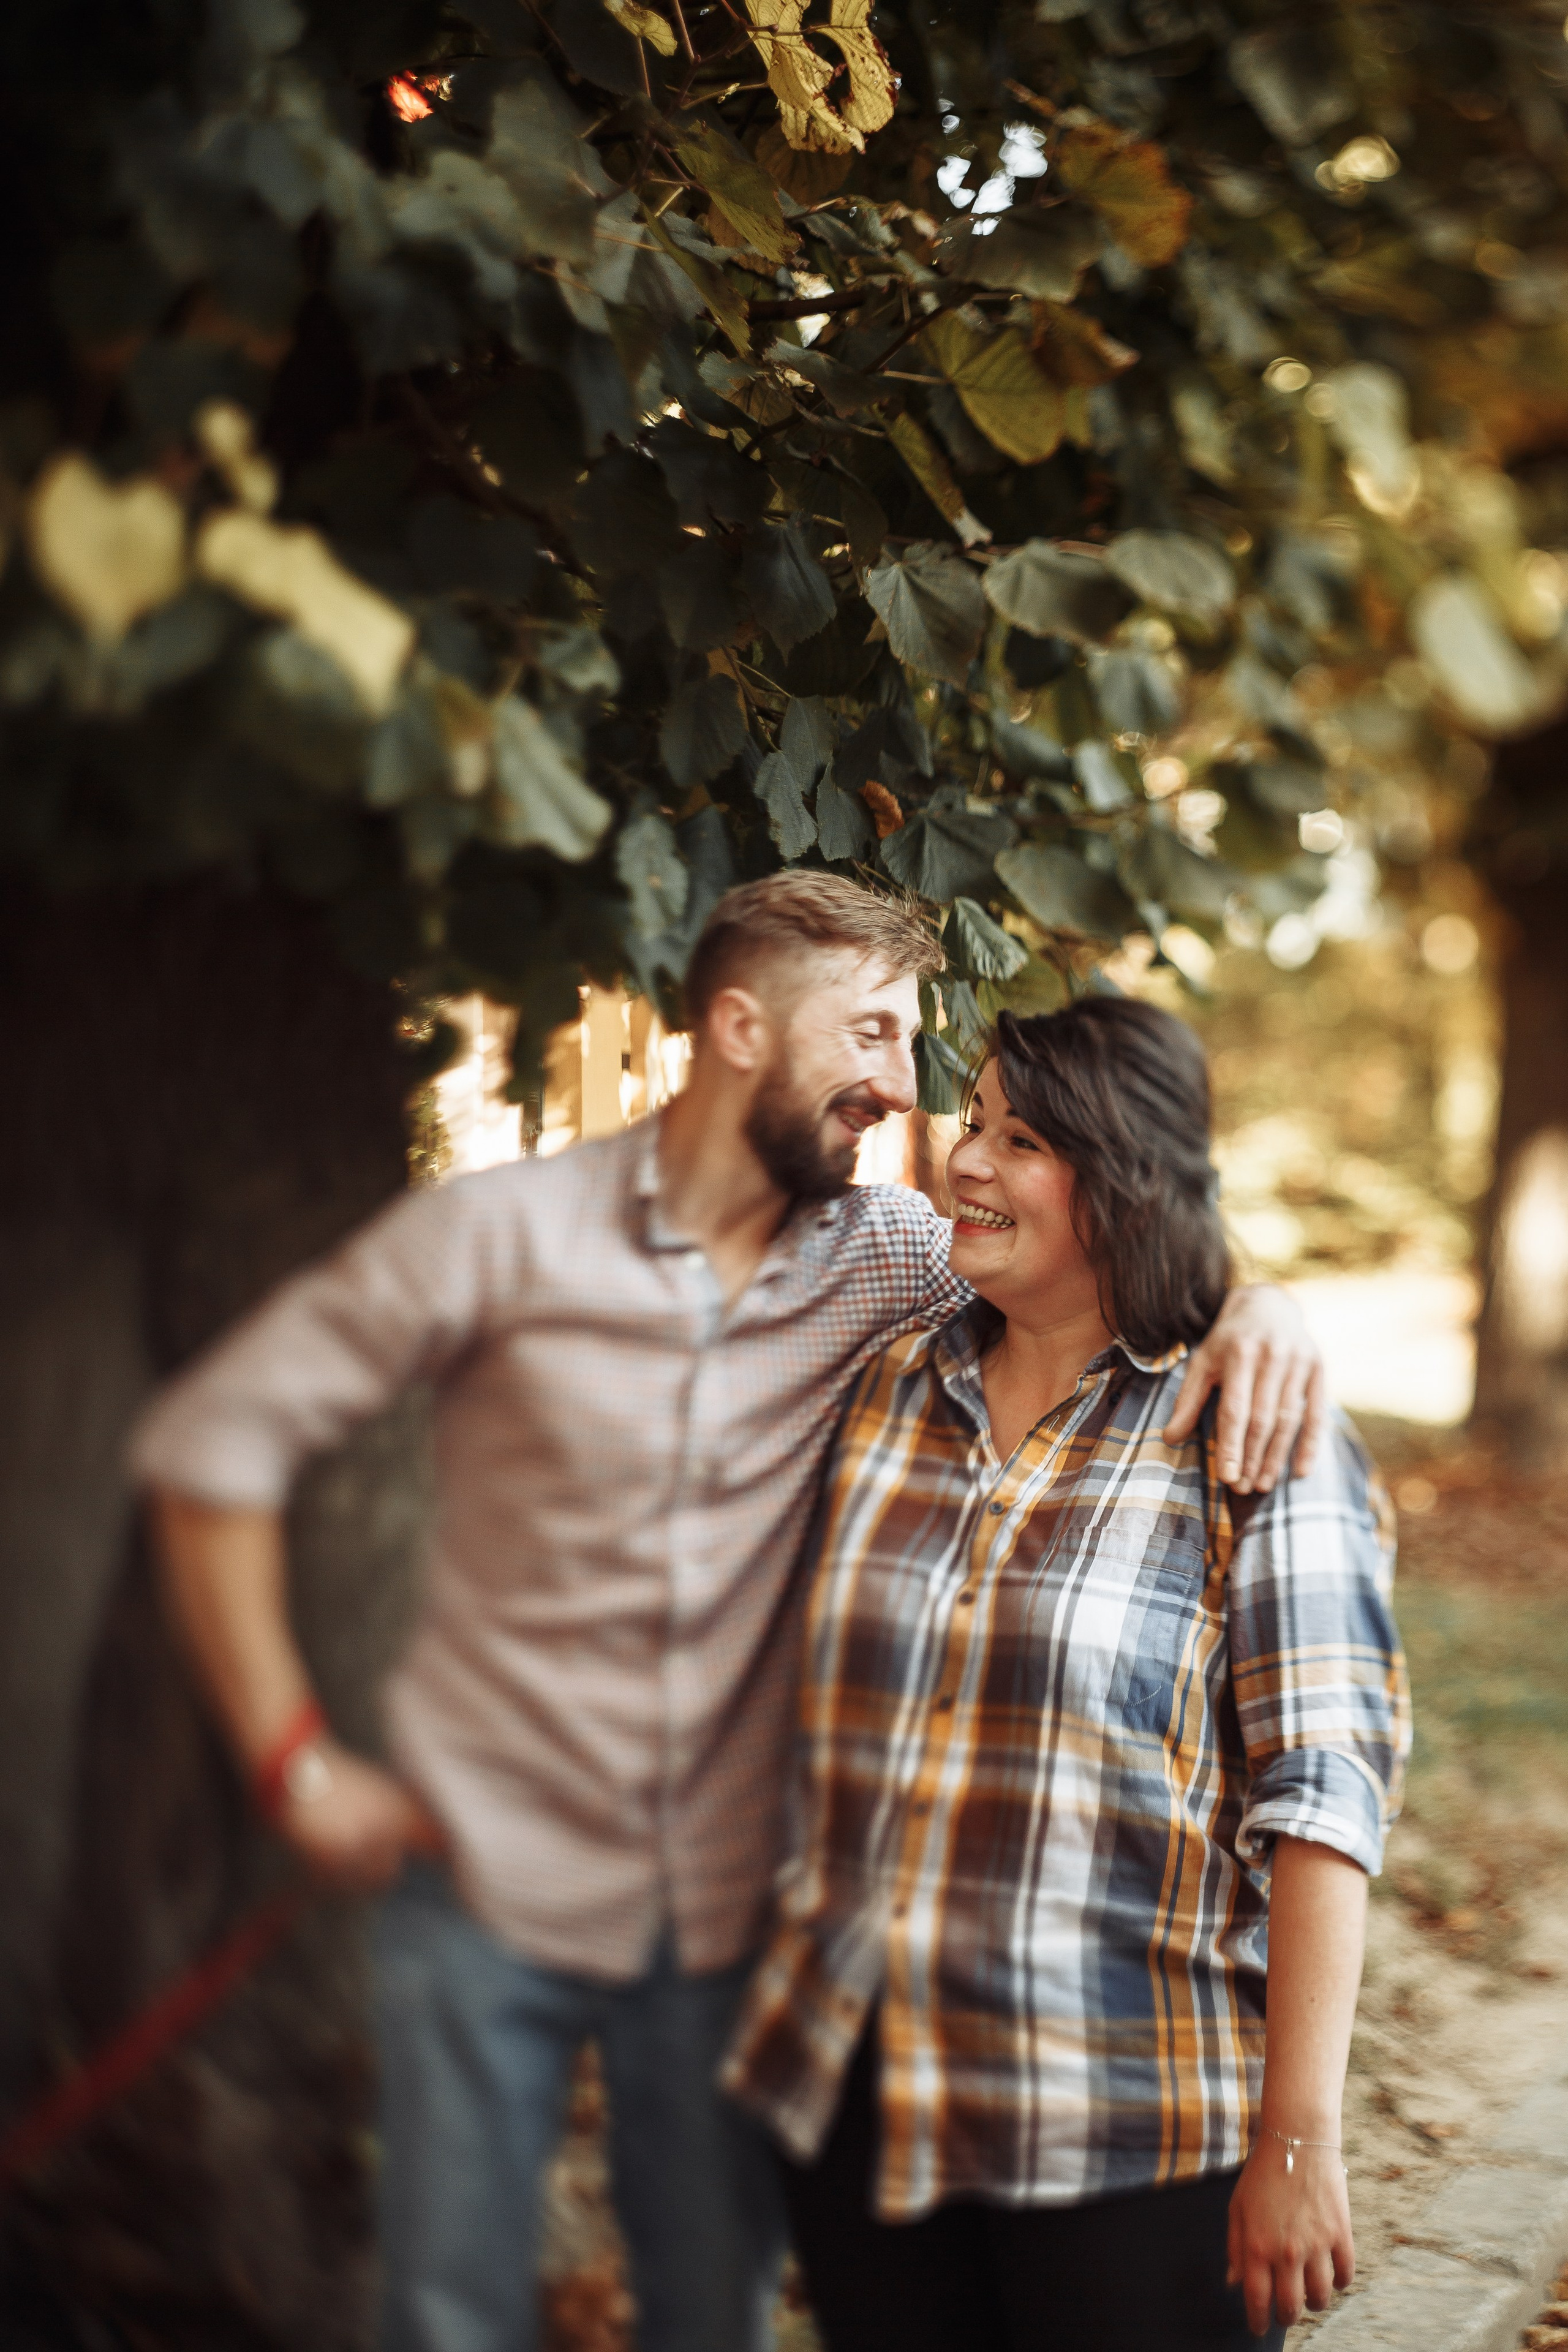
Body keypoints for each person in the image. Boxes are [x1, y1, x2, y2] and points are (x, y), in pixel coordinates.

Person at [132, 876, 1327, 2352]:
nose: (903, 1086)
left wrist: (1257, 1311)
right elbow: (214, 1447)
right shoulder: (500, 1238)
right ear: (742, 1025)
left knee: (716, 2318)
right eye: (873, 1033)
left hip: (731, 1930)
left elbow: (1110, 1244)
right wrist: (290, 1756)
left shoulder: (893, 1264)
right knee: (447, 2316)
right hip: (482, 1891)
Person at [724, 997, 1409, 2352]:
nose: (965, 1160)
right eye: (970, 1122)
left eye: (1020, 1137)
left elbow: (1321, 1798)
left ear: (1126, 1174)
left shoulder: (1250, 1427)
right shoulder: (886, 1390)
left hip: (1126, 2130)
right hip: (864, 2110)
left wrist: (1295, 2141)